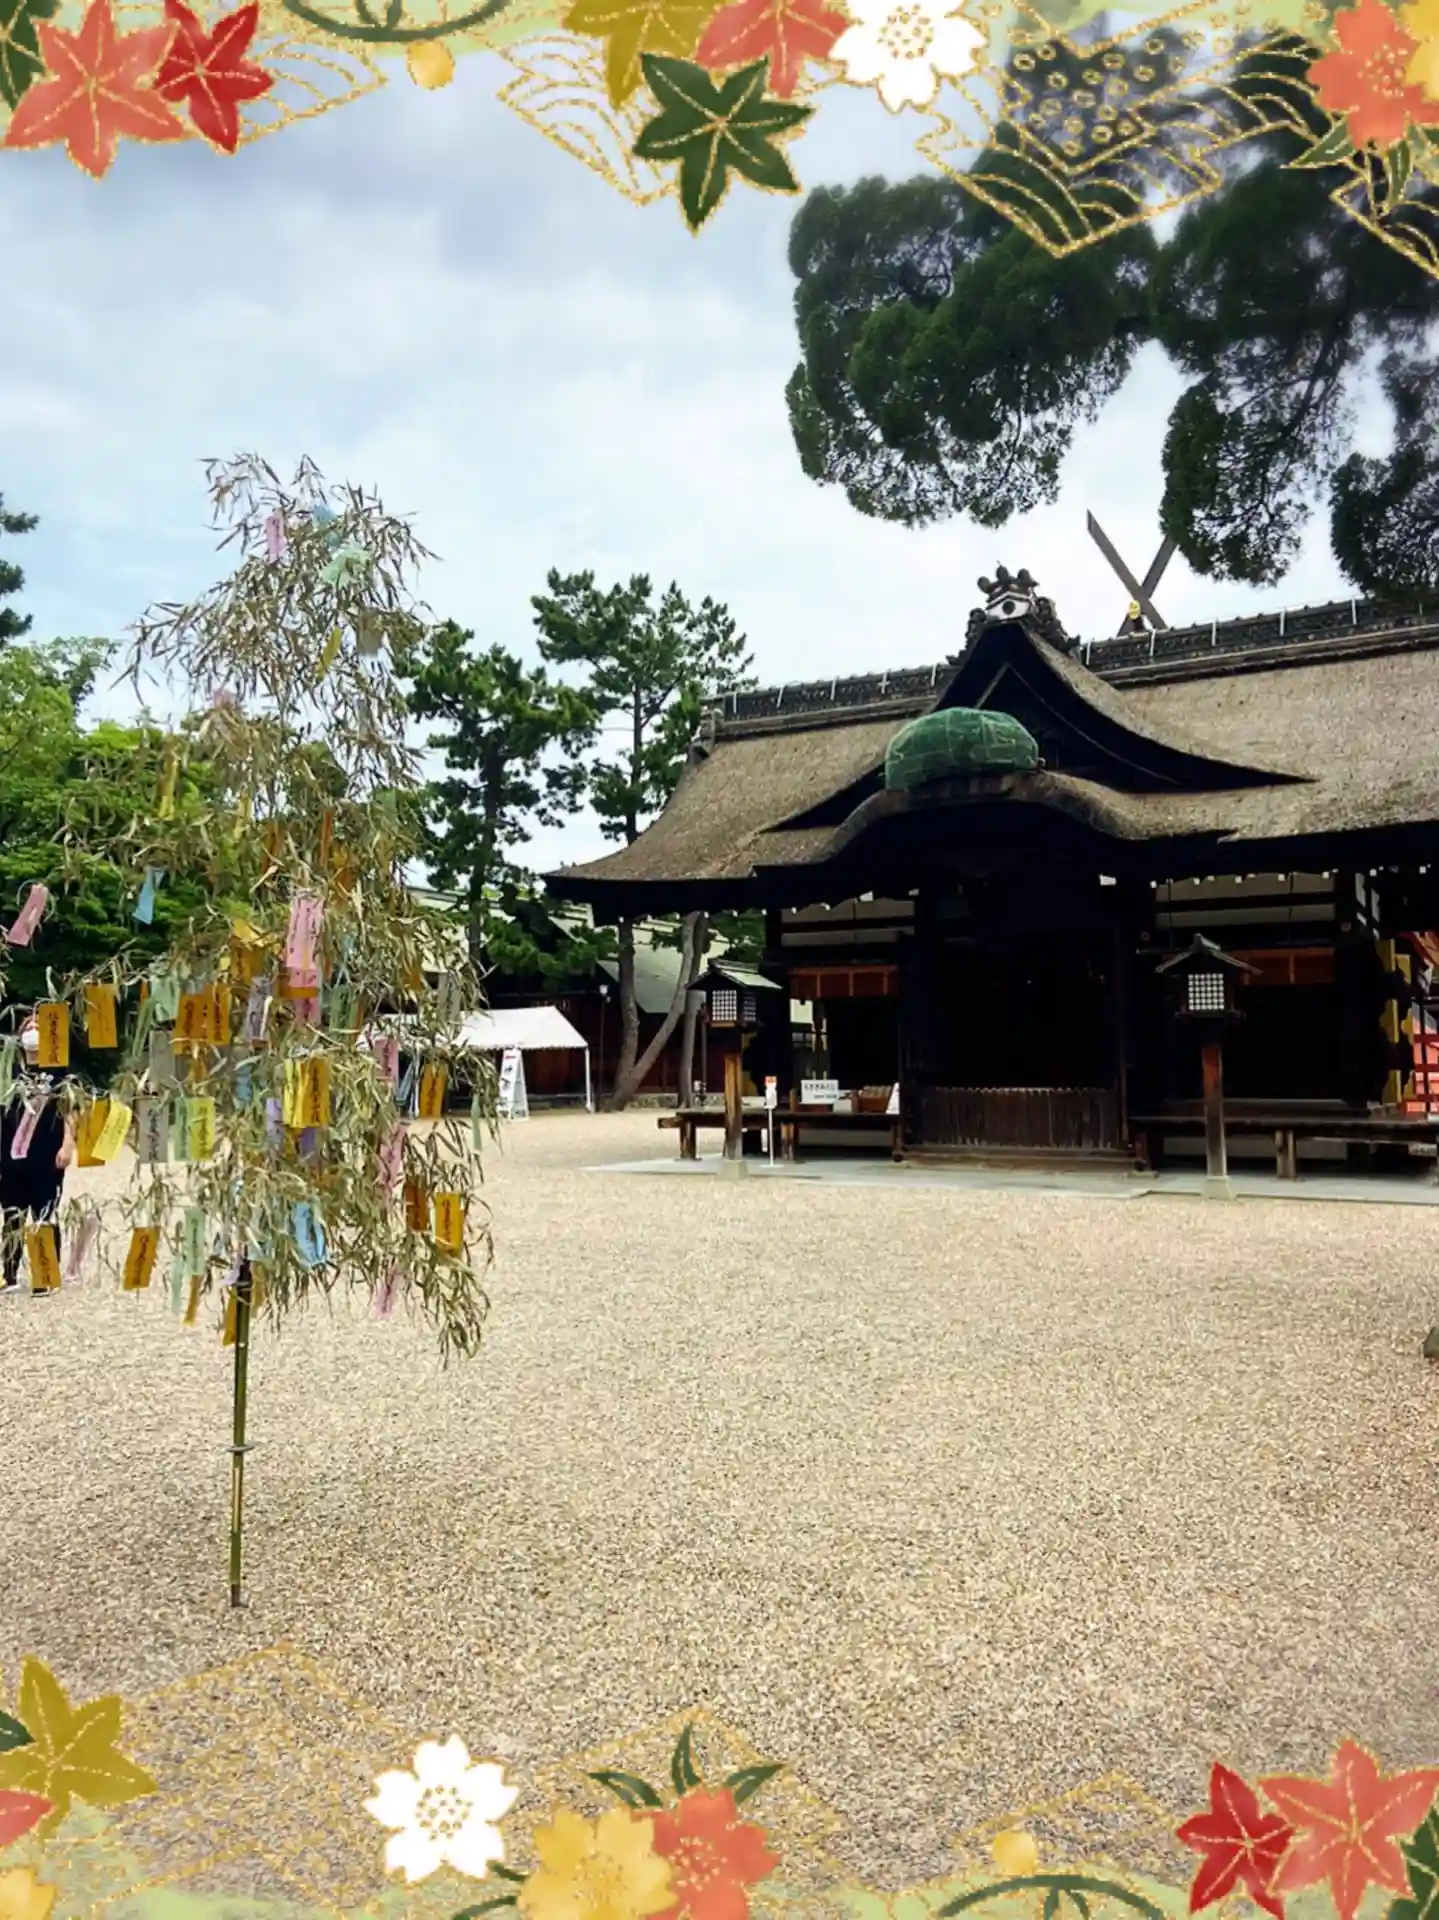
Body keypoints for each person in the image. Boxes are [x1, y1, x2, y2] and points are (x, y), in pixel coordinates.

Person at [1, 1025, 74, 1293]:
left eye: (37, 1026)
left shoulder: (59, 1072)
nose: (33, 1031)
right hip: (10, 1156)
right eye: (28, 1027)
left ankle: (46, 1274)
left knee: (44, 1213)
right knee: (12, 1215)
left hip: (46, 1153)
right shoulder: (8, 1070)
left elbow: (70, 1110)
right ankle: (9, 1276)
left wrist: (68, 1144)